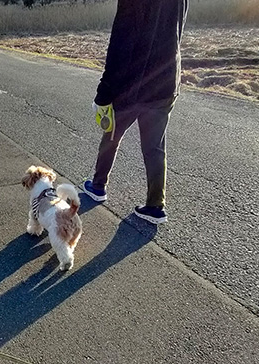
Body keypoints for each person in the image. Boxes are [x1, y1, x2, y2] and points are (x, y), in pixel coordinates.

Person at [83, 0, 189, 224]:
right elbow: (177, 29)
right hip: (167, 81)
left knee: (111, 134)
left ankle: (98, 186)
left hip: (133, 85)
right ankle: (155, 206)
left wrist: (104, 94)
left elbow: (120, 44)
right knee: (155, 147)